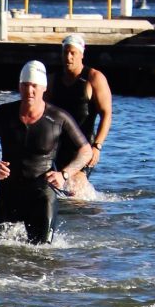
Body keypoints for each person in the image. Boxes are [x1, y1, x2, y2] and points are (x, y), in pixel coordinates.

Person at [0, 60, 93, 245]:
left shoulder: (57, 117)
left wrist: (64, 174)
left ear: (44, 87)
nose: (30, 91)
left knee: (42, 254)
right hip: (8, 193)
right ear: (19, 86)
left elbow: (85, 151)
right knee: (0, 251)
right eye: (25, 85)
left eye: (34, 86)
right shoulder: (4, 113)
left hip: (42, 195)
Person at [46, 33, 113, 195]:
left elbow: (107, 114)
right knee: (56, 190)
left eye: (72, 53)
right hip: (58, 147)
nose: (68, 57)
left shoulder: (94, 78)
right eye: (65, 52)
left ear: (81, 55)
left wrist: (97, 146)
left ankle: (88, 217)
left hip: (84, 149)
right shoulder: (53, 80)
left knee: (75, 189)